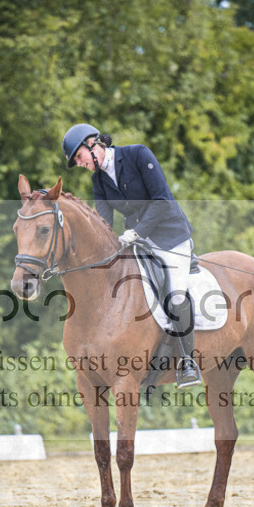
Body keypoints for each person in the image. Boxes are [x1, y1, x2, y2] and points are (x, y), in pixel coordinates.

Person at [62, 123, 201, 387]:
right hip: (137, 243)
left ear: (92, 144)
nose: (79, 164)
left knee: (176, 294)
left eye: (78, 157)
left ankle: (187, 361)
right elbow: (103, 224)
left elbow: (162, 200)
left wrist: (136, 232)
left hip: (170, 238)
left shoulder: (138, 155)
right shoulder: (98, 180)